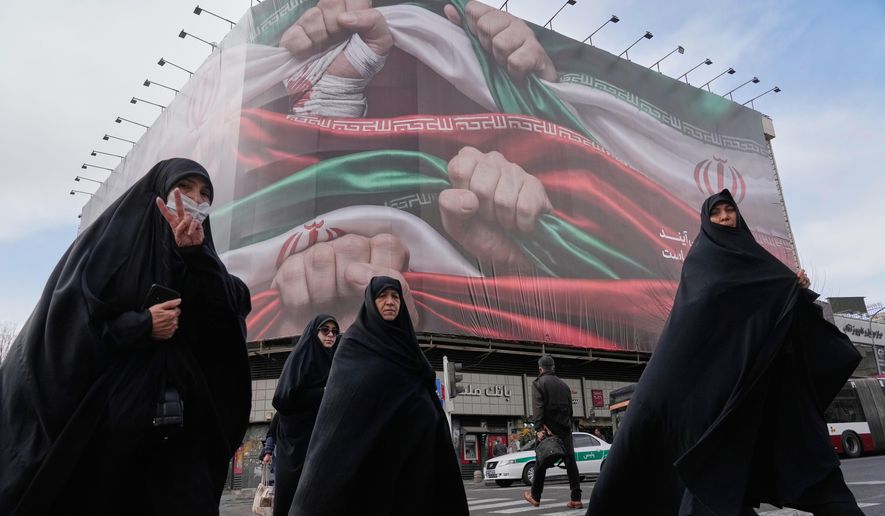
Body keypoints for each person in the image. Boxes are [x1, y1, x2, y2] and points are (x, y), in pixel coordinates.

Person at [585, 189, 863, 516]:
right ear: (707, 221)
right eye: (715, 213)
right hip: (717, 397)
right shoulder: (702, 262)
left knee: (815, 479)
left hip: (765, 389)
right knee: (715, 486)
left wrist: (796, 292)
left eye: (728, 211)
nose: (723, 218)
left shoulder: (760, 263)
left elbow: (775, 314)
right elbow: (689, 329)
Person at [0, 158, 252, 515]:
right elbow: (72, 325)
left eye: (204, 193)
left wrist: (198, 258)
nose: (195, 200)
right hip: (114, 428)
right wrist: (142, 324)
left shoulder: (201, 258)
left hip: (181, 427)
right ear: (160, 195)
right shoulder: (110, 251)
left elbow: (231, 309)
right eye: (185, 189)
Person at [288, 276, 468, 516]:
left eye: (395, 296)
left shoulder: (408, 345)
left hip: (411, 457)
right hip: (369, 456)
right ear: (371, 302)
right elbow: (341, 408)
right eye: (382, 296)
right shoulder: (353, 345)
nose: (390, 302)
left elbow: (421, 387)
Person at [271, 314, 340, 516]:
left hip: (321, 437)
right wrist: (324, 392)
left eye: (334, 332)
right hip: (296, 441)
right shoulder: (301, 358)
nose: (330, 335)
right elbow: (283, 398)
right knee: (293, 493)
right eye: (324, 330)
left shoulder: (335, 360)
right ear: (313, 332)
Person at [524, 354, 583, 509]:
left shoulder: (538, 383)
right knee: (571, 463)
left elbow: (538, 407)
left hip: (548, 430)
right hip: (565, 429)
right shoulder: (564, 385)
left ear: (540, 369)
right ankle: (576, 498)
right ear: (553, 368)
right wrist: (567, 425)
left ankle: (535, 496)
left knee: (540, 462)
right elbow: (570, 410)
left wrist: (538, 428)